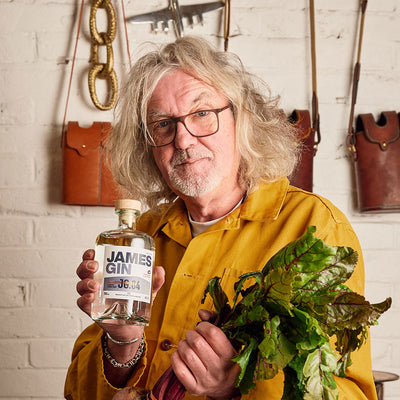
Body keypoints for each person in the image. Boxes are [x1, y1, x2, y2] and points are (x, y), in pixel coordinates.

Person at [64, 36, 377, 400]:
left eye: (201, 114)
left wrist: (234, 387)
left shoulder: (314, 227)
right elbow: (77, 392)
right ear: (147, 145)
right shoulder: (141, 236)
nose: (183, 140)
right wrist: (123, 343)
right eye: (162, 124)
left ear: (242, 119)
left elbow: (345, 391)